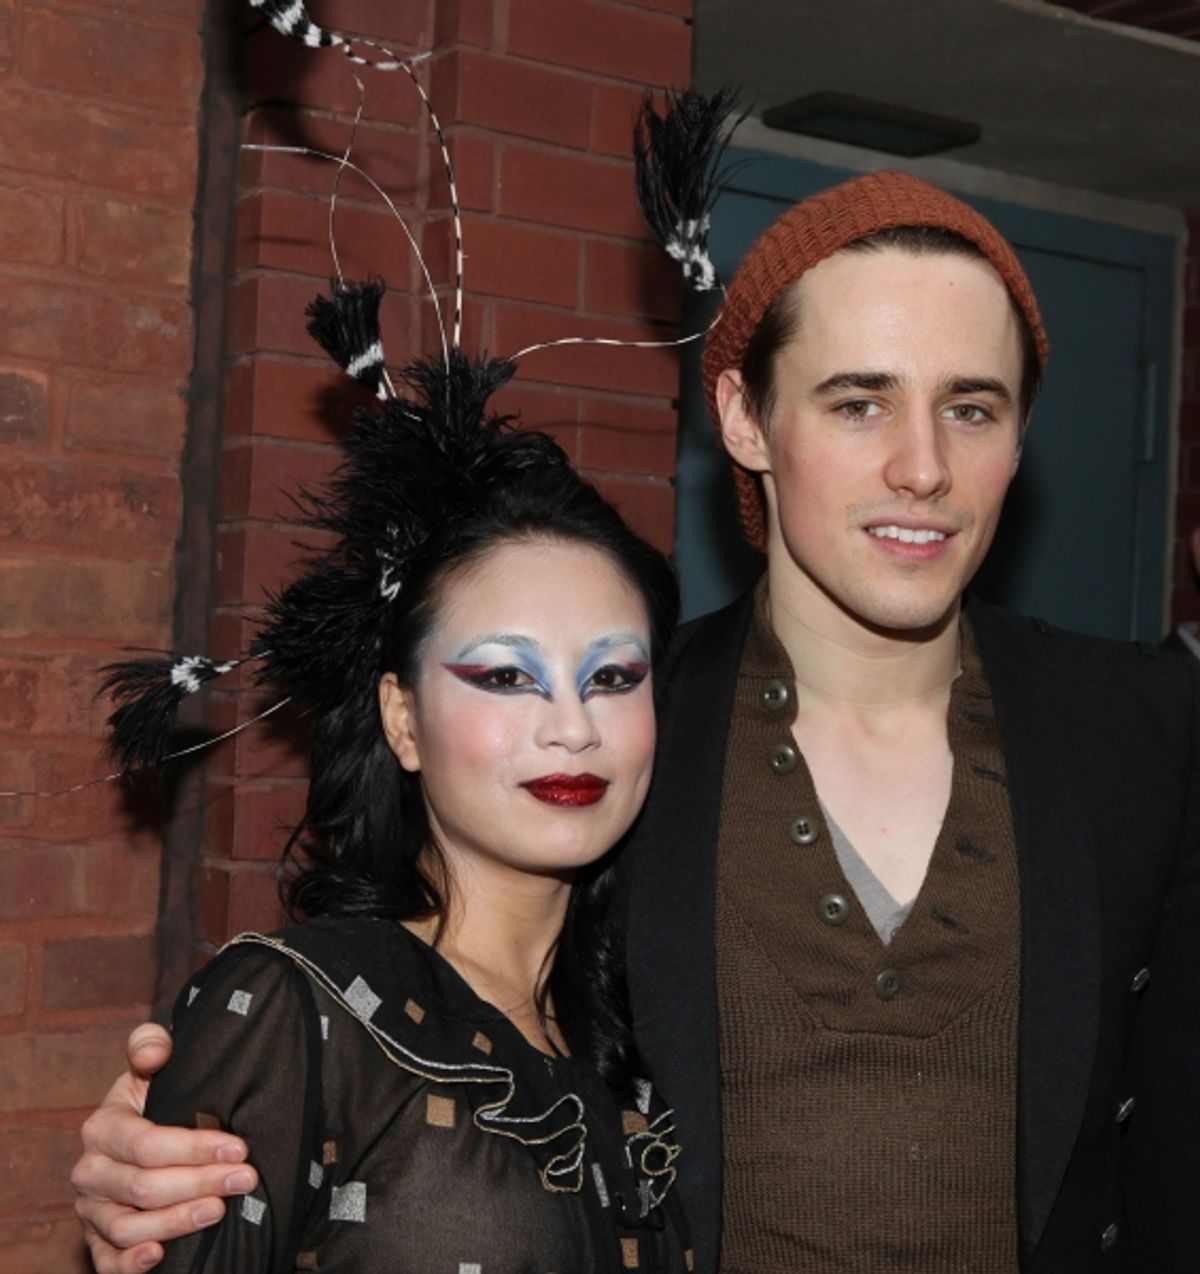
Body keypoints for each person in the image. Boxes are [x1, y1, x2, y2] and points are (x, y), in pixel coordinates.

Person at [73, 171, 1200, 1273]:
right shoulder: (621, 739)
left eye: (971, 408)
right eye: (858, 403)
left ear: (1020, 436)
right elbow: (438, 1013)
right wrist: (194, 1141)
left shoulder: (1151, 731)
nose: (923, 467)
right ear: (745, 418)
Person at [76, 344, 689, 1272]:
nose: (573, 728)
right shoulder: (296, 1008)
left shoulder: (664, 1025)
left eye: (611, 677)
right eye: (505, 676)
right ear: (403, 720)